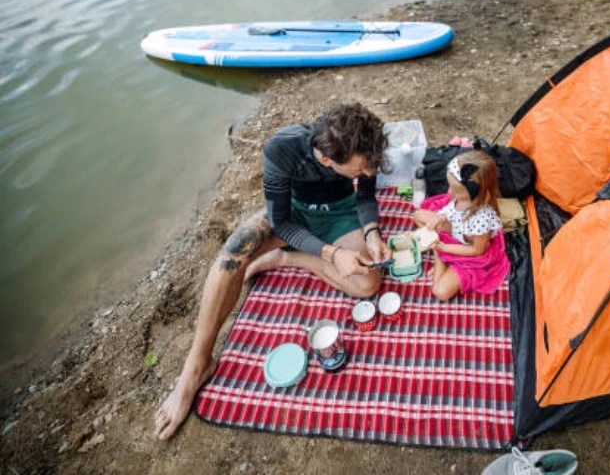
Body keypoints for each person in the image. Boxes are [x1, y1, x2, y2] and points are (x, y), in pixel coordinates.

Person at [154, 103, 392, 440]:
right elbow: (280, 220)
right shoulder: (283, 148)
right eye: (359, 170)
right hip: (292, 216)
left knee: (369, 283)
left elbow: (366, 196)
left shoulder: (360, 143)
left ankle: (284, 260)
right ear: (326, 159)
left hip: (338, 214)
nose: (368, 173)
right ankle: (197, 365)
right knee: (231, 255)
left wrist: (371, 233)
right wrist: (333, 253)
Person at [413, 151, 510, 300]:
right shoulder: (462, 199)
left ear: (478, 193)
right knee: (418, 215)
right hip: (457, 230)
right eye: (450, 186)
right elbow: (452, 211)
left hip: (470, 253)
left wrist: (442, 248)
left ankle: (440, 257)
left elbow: (477, 250)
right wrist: (440, 218)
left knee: (440, 292)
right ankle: (441, 252)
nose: (449, 193)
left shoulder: (481, 218)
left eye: (457, 190)